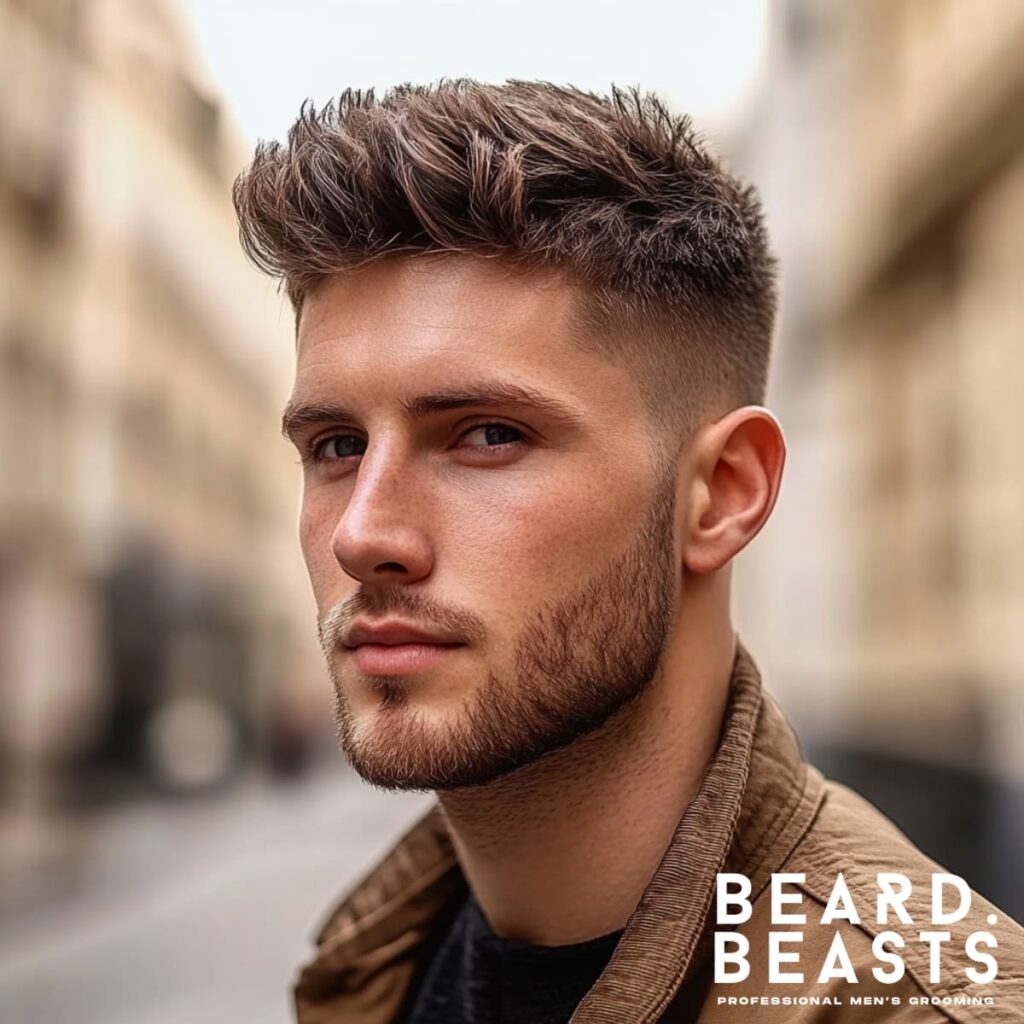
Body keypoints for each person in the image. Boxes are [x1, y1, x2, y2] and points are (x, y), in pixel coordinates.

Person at [233, 81, 1023, 1023]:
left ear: (723, 494)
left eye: (487, 435)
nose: (363, 534)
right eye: (336, 446)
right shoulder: (373, 970)